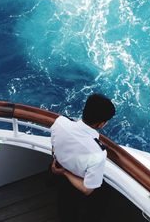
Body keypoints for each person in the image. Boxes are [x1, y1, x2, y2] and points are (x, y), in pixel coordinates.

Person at [50, 93, 116, 221]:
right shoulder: (98, 153)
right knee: (102, 195)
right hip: (74, 184)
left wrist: (58, 163)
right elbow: (87, 189)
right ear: (101, 124)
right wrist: (65, 172)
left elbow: (54, 145)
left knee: (64, 207)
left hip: (56, 169)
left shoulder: (60, 122)